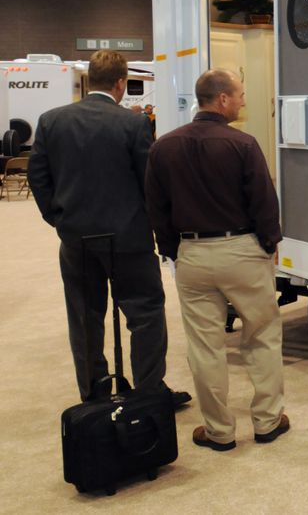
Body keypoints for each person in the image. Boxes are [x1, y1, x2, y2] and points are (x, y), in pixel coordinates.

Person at [27, 50, 188, 407]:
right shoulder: (133, 124)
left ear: (88, 81)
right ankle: (148, 395)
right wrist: (159, 231)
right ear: (120, 83)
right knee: (145, 314)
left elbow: (37, 176)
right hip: (129, 239)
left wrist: (58, 217)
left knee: (84, 316)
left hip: (76, 239)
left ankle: (94, 393)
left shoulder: (51, 120)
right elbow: (150, 185)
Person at [144, 69, 287, 452]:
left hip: (191, 254)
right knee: (261, 336)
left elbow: (156, 207)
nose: (243, 100)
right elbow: (263, 200)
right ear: (221, 99)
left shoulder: (163, 146)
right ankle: (268, 422)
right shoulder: (243, 144)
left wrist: (172, 249)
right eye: (239, 94)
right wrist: (270, 240)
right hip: (241, 251)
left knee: (204, 347)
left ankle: (219, 432)